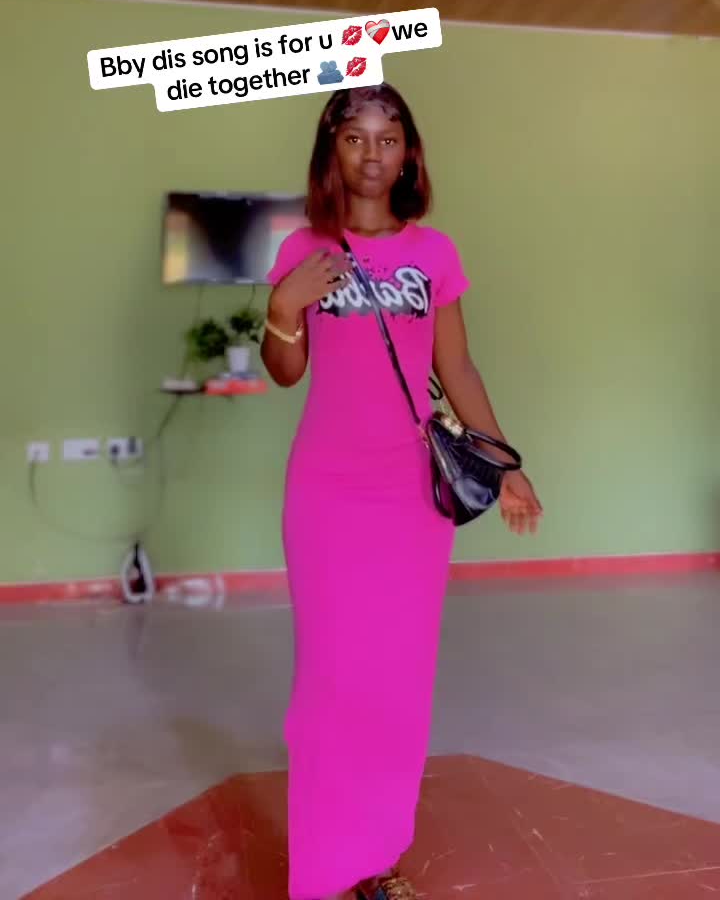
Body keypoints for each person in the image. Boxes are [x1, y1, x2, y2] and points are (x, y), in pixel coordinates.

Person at [262, 84, 543, 900]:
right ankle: (322, 871)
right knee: (329, 684)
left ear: (409, 154)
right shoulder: (302, 249)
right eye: (355, 137)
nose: (372, 153)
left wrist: (505, 462)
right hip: (326, 492)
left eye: (388, 138)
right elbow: (286, 372)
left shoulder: (436, 253)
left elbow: (457, 367)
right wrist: (283, 306)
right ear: (332, 150)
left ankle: (375, 862)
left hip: (411, 499)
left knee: (397, 683)